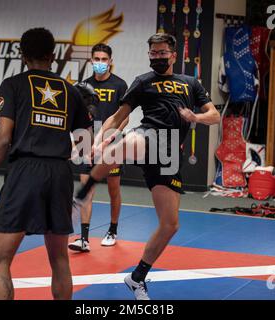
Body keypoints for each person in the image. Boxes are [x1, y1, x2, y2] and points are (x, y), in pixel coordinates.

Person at [72, 33, 220, 300]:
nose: (158, 58)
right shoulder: (143, 82)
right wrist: (98, 140)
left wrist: (194, 116)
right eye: (153, 53)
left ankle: (137, 277)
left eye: (163, 53)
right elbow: (118, 117)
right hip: (150, 134)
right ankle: (86, 188)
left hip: (170, 152)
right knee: (135, 140)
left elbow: (215, 115)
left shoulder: (190, 83)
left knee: (170, 224)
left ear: (174, 55)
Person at [0, 28, 92, 300]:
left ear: (23, 56)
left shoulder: (13, 85)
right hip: (60, 173)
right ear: (53, 56)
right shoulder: (71, 91)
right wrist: (87, 116)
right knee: (60, 258)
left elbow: (3, 139)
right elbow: (86, 146)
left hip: (25, 171)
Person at [69, 43, 128, 252]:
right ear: (91, 61)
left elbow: (124, 119)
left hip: (112, 144)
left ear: (110, 61)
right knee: (87, 190)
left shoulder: (120, 85)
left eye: (104, 59)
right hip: (88, 143)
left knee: (113, 190)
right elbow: (77, 117)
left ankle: (112, 230)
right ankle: (84, 239)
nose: (100, 63)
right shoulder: (84, 86)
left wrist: (108, 139)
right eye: (97, 59)